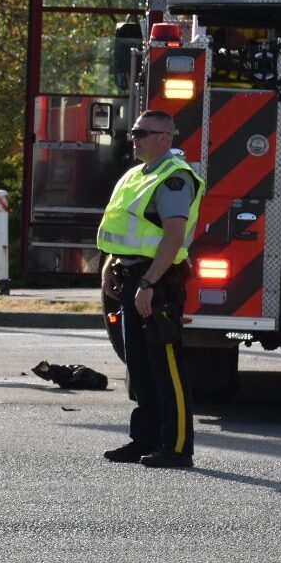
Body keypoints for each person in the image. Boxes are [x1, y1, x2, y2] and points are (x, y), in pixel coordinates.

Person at [96, 109, 204, 469]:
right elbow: (126, 231)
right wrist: (111, 266)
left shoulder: (174, 178)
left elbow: (173, 236)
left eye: (143, 133)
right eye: (135, 133)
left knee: (167, 367)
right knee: (140, 367)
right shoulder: (135, 176)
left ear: (165, 137)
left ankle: (176, 447)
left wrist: (148, 283)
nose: (135, 138)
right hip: (133, 277)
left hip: (157, 280)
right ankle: (143, 440)